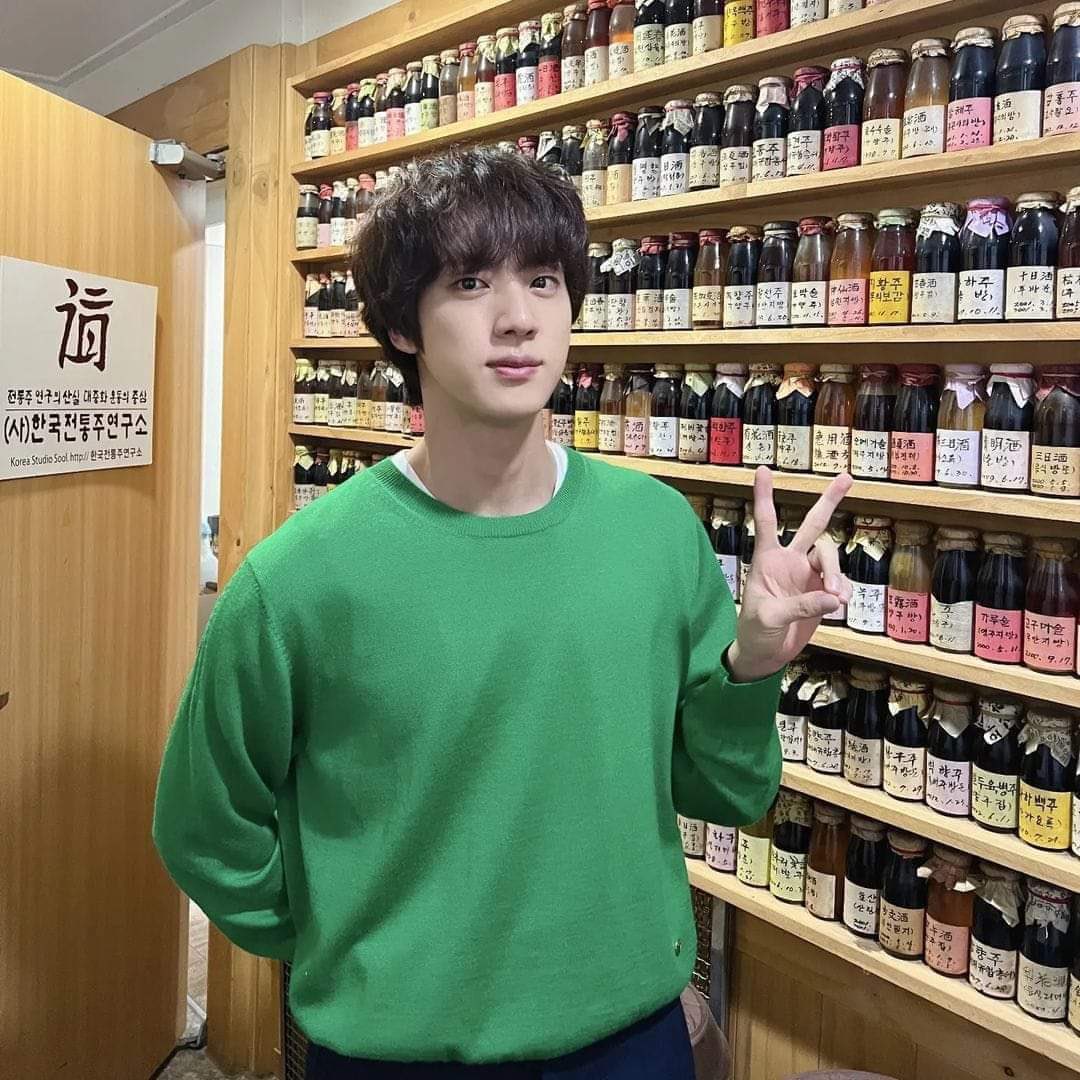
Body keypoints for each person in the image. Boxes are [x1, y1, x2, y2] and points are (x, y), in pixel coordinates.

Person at [152, 147, 852, 1079]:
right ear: (401, 325)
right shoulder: (300, 579)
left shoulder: (654, 532)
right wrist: (349, 944)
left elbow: (727, 793)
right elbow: (205, 826)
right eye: (470, 281)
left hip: (632, 1037)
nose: (518, 317)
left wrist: (751, 666)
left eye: (544, 280)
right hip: (396, 1053)